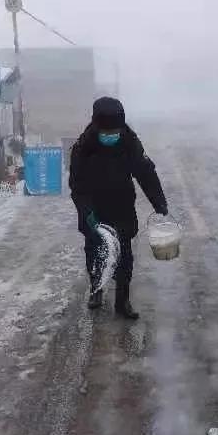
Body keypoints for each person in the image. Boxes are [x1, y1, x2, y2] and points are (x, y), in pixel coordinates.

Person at [69, 97, 168, 319]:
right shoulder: (82, 148)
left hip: (122, 207)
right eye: (107, 131)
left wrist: (158, 201)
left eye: (116, 130)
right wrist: (86, 213)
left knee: (124, 257)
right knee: (95, 253)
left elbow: (145, 172)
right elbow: (77, 186)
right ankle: (96, 289)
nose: (112, 134)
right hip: (94, 211)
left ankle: (122, 302)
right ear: (97, 126)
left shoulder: (129, 141)